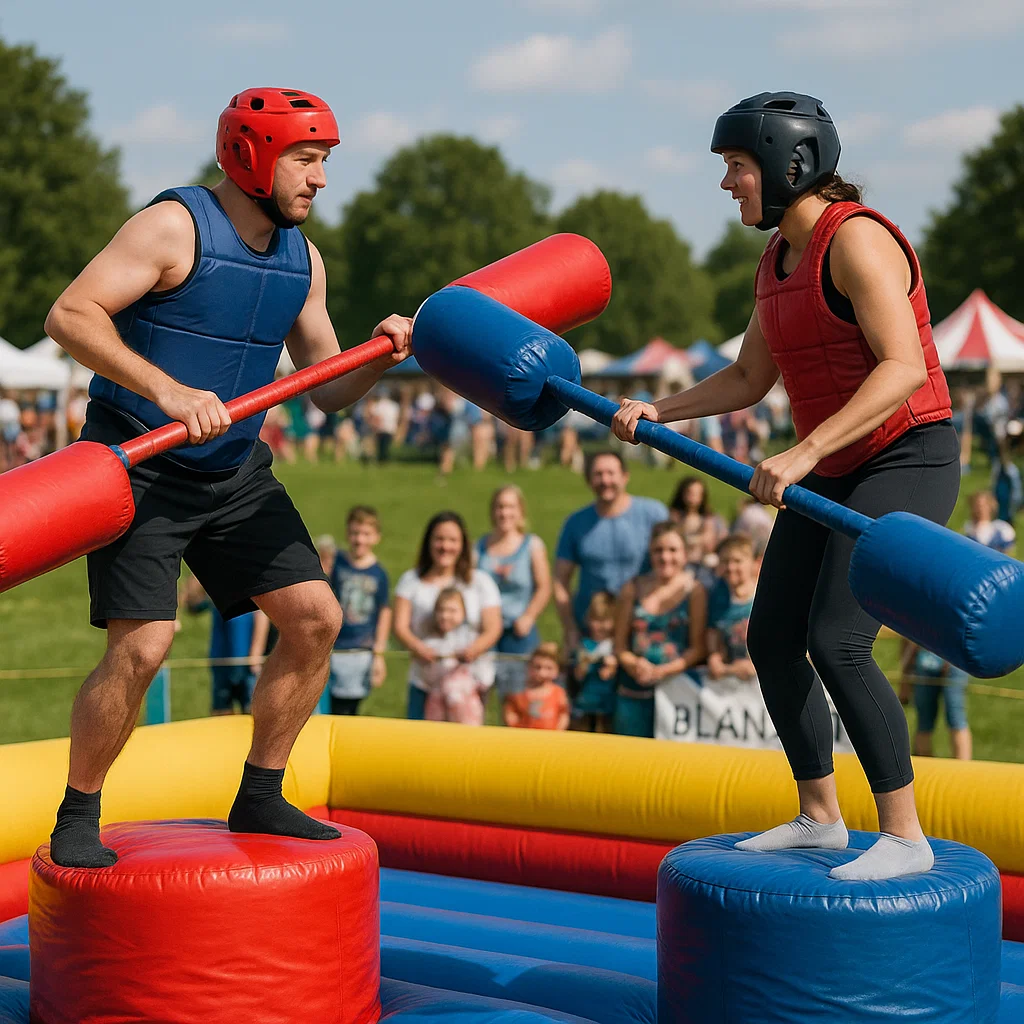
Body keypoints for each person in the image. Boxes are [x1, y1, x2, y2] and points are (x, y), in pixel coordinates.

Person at [42, 87, 413, 868]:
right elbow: (71, 315)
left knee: (315, 618)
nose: (318, 179)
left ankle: (261, 793)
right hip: (138, 462)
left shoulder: (303, 260)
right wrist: (167, 391)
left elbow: (330, 387)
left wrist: (379, 355)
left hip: (235, 470)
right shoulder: (173, 226)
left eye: (323, 162)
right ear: (253, 158)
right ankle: (78, 812)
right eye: (306, 161)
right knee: (143, 648)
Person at [612, 91, 958, 879]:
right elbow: (747, 377)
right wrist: (655, 410)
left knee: (837, 639)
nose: (727, 183)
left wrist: (802, 453)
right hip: (835, 464)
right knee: (771, 635)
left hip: (910, 456)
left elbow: (902, 368)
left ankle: (906, 836)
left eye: (735, 167)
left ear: (789, 164)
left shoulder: (857, 241)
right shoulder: (778, 260)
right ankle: (820, 817)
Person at [392, 511, 503, 720]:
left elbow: (493, 627)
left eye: (452, 540)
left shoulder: (480, 582)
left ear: (463, 545)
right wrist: (418, 648)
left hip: (468, 684)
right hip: (425, 681)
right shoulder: (411, 581)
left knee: (465, 747)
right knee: (421, 743)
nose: (445, 546)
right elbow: (400, 626)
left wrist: (474, 649)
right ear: (429, 542)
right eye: (439, 539)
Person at [554, 451, 669, 651]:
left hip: (642, 627)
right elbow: (560, 581)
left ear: (625, 476)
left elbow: (673, 566)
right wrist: (570, 628)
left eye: (610, 473)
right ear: (589, 480)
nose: (605, 480)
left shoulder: (653, 515)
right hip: (593, 630)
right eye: (598, 474)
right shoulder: (576, 523)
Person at [613, 523, 708, 738]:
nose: (666, 557)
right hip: (633, 693)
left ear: (684, 554)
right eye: (659, 550)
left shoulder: (694, 591)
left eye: (673, 550)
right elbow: (619, 646)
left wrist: (662, 671)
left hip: (677, 696)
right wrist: (635, 664)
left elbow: (698, 648)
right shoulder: (632, 589)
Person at [476, 486, 552, 703]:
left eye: (510, 507)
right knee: (479, 693)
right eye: (500, 507)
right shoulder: (479, 548)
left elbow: (544, 586)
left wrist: (529, 616)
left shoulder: (532, 545)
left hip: (519, 632)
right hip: (486, 632)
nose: (504, 513)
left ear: (520, 511)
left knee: (518, 698)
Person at [325, 508, 391, 716]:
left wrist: (379, 654)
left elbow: (384, 613)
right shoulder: (338, 564)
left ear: (376, 537)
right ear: (347, 533)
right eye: (355, 533)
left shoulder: (379, 574)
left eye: (365, 534)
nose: (359, 540)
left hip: (361, 652)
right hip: (333, 648)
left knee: (349, 709)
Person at [181, 574, 259, 715]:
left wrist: (256, 654)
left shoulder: (250, 583)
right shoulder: (217, 591)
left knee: (253, 712)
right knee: (221, 712)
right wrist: (197, 571)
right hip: (220, 660)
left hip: (247, 662)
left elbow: (262, 617)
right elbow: (191, 605)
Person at [421, 589, 493, 726]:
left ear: (464, 613)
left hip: (465, 702)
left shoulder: (473, 641)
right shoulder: (431, 643)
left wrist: (470, 659)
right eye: (441, 610)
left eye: (452, 611)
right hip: (437, 702)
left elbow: (485, 677)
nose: (445, 616)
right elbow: (427, 679)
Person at [899, 640, 972, 762]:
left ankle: (964, 769)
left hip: (954, 659)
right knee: (924, 720)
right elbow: (907, 639)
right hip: (926, 657)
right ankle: (923, 768)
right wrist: (905, 679)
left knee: (955, 717)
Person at [704, 535, 757, 685]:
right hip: (730, 686)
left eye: (737, 561)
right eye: (725, 562)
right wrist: (714, 657)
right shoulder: (716, 598)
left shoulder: (765, 595)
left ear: (753, 562)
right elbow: (713, 633)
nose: (730, 567)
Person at [569, 591, 618, 733]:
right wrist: (582, 666)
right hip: (585, 704)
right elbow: (577, 676)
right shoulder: (584, 645)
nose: (600, 626)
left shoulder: (615, 646)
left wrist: (612, 668)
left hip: (607, 706)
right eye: (596, 620)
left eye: (605, 621)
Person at [504, 643, 570, 730]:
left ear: (557, 670)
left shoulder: (558, 693)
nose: (542, 673)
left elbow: (563, 716)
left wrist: (557, 734)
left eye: (548, 668)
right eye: (537, 667)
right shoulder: (519, 693)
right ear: (529, 667)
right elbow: (511, 716)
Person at [668, 476, 728, 568]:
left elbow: (710, 542)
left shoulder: (710, 519)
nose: (692, 498)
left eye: (696, 494)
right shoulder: (674, 517)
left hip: (703, 561)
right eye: (689, 493)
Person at [963, 490, 1016, 555]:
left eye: (983, 505)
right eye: (977, 506)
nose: (980, 509)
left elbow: (1008, 557)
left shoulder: (1002, 529)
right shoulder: (969, 530)